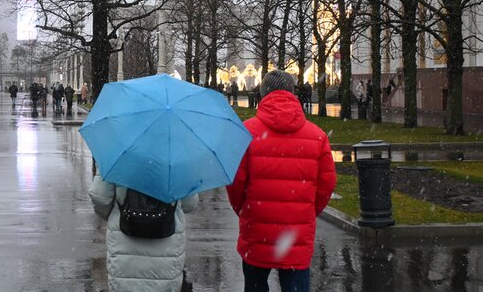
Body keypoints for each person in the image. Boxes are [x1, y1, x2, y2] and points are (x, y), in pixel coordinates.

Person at [226, 70, 336, 292]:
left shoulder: (246, 132)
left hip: (257, 230)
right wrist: (306, 211)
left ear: (263, 93)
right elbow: (327, 183)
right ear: (293, 93)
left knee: (255, 285)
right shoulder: (317, 136)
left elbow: (235, 183)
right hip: (296, 234)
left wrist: (246, 211)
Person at [90, 177, 199, 291]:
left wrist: (117, 214)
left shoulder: (115, 160)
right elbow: (189, 204)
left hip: (125, 243)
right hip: (166, 246)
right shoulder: (178, 161)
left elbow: (100, 198)